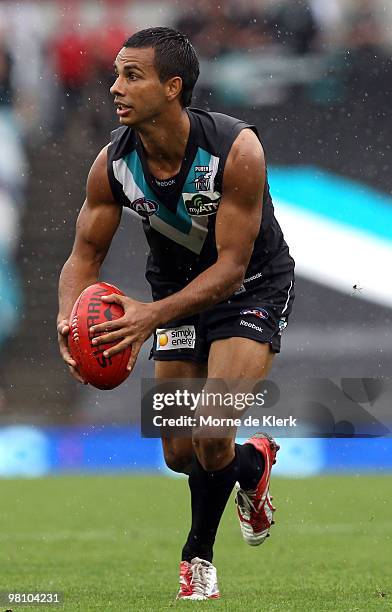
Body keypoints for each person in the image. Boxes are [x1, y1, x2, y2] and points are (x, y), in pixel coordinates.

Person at [57, 27, 294, 601]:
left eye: (131, 75)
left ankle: (197, 558)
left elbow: (234, 267)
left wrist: (147, 318)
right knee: (177, 453)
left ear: (173, 86)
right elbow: (83, 256)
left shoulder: (236, 149)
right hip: (174, 295)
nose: (115, 87)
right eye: (115, 74)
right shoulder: (112, 164)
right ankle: (253, 465)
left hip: (251, 290)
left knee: (212, 433)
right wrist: (68, 320)